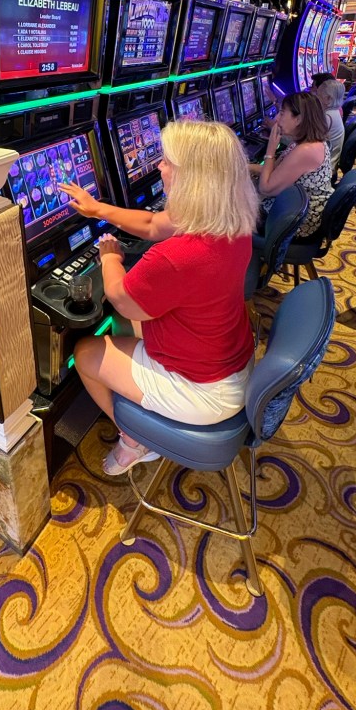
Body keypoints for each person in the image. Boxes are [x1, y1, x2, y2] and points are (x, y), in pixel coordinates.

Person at [64, 121, 259, 475]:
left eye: (168, 161)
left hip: (202, 391)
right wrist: (98, 209)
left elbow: (120, 298)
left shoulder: (178, 255)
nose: (159, 166)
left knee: (85, 352)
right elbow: (153, 225)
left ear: (193, 178)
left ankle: (134, 438)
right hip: (230, 361)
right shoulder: (231, 219)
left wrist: (110, 257)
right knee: (131, 322)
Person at [250, 91, 333, 239]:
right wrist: (244, 166)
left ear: (298, 119)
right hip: (293, 208)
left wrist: (271, 149)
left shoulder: (306, 150)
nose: (277, 119)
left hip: (295, 222)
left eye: (282, 113)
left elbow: (266, 188)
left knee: (232, 209)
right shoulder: (302, 142)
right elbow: (273, 169)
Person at [315, 77, 345, 171]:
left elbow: (306, 141)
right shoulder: (334, 112)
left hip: (325, 168)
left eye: (318, 95)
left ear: (328, 99)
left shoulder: (327, 117)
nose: (315, 98)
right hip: (329, 161)